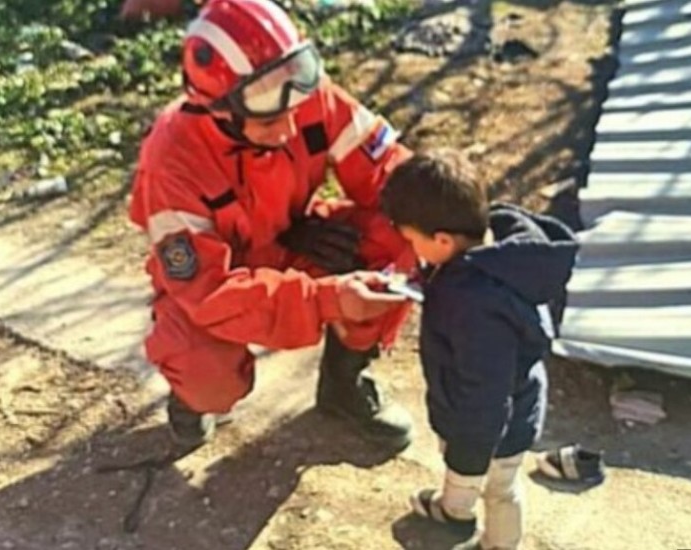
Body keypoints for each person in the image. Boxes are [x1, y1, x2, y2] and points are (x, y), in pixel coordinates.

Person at [127, 0, 417, 450]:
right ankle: (190, 397)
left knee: (405, 228)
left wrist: (452, 216)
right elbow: (208, 291)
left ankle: (344, 382)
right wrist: (329, 299)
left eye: (293, 110)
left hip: (293, 236)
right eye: (267, 120)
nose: (287, 130)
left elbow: (393, 175)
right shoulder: (171, 160)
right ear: (218, 109)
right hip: (219, 279)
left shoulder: (306, 95)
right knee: (207, 375)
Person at [381, 150, 579, 549]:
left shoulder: (476, 306)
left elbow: (485, 396)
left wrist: (467, 459)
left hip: (492, 431)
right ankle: (455, 508)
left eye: (412, 242)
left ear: (442, 239)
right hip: (490, 414)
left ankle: (499, 543)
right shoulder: (497, 252)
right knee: (468, 476)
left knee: (499, 490)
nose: (413, 251)